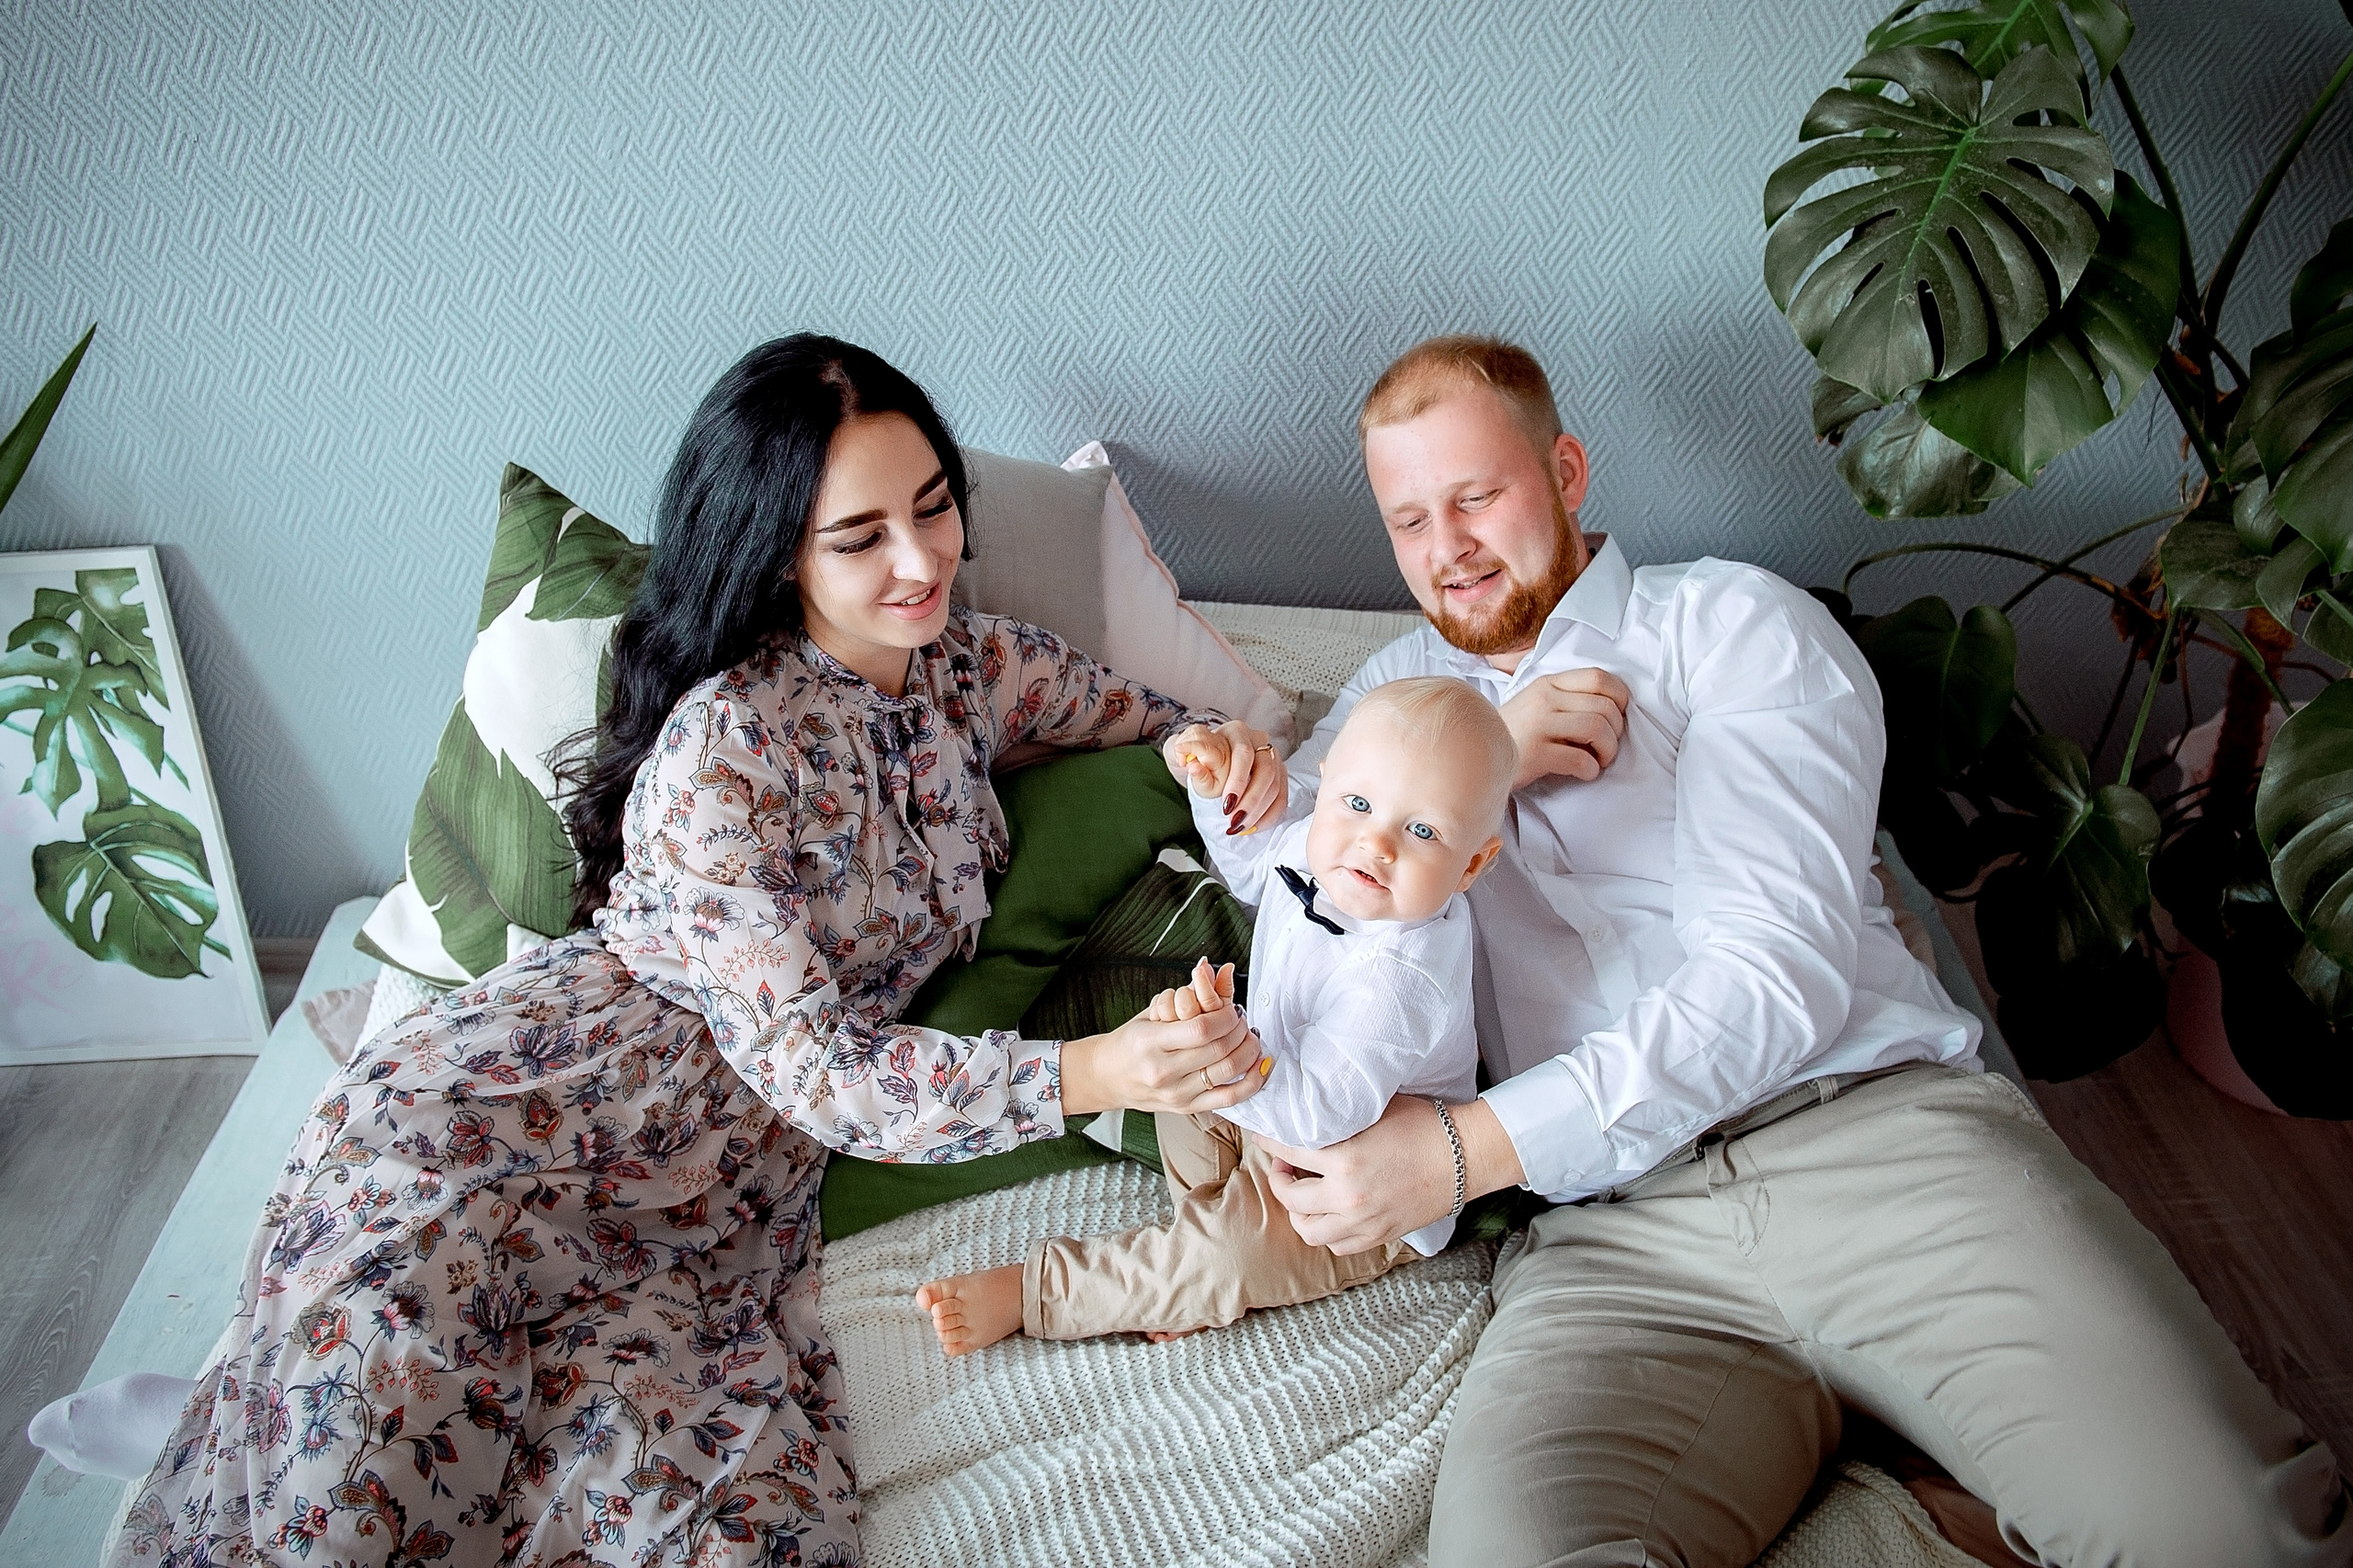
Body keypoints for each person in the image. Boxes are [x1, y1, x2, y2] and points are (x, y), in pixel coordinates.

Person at [97, 335, 1290, 1568]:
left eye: (934, 508)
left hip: (705, 1200)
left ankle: (233, 1401)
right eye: (860, 535)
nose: (921, 558)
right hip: (499, 1126)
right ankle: (246, 1407)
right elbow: (822, 1074)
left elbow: (1173, 726)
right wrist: (1101, 1072)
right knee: (357, 1476)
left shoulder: (978, 670)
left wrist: (1227, 757)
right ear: (781, 551)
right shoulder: (723, 750)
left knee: (734, 1529)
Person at [1253, 335, 2352, 1568]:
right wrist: (1482, 755)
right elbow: (1305, 902)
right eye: (1409, 519)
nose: (1445, 546)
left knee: (2230, 1533)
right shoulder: (1394, 693)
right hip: (1616, 1241)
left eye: (1475, 496)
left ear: (1565, 469)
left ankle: (1953, 1445)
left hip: (1876, 1140)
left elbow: (1768, 983)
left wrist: (1458, 1155)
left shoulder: (1732, 624)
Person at [914, 676, 1513, 1354]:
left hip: (1355, 1182)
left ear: (1472, 865)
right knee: (1171, 1057)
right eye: (1358, 802)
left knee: (1230, 1254)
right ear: (1325, 782)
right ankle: (1192, 1266)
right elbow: (1250, 863)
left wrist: (1227, 1061)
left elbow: (1318, 1114)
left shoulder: (1405, 976)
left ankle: (1040, 1294)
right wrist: (1210, 791)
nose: (1377, 845)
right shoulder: (1325, 850)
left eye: (1424, 830)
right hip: (1270, 1095)